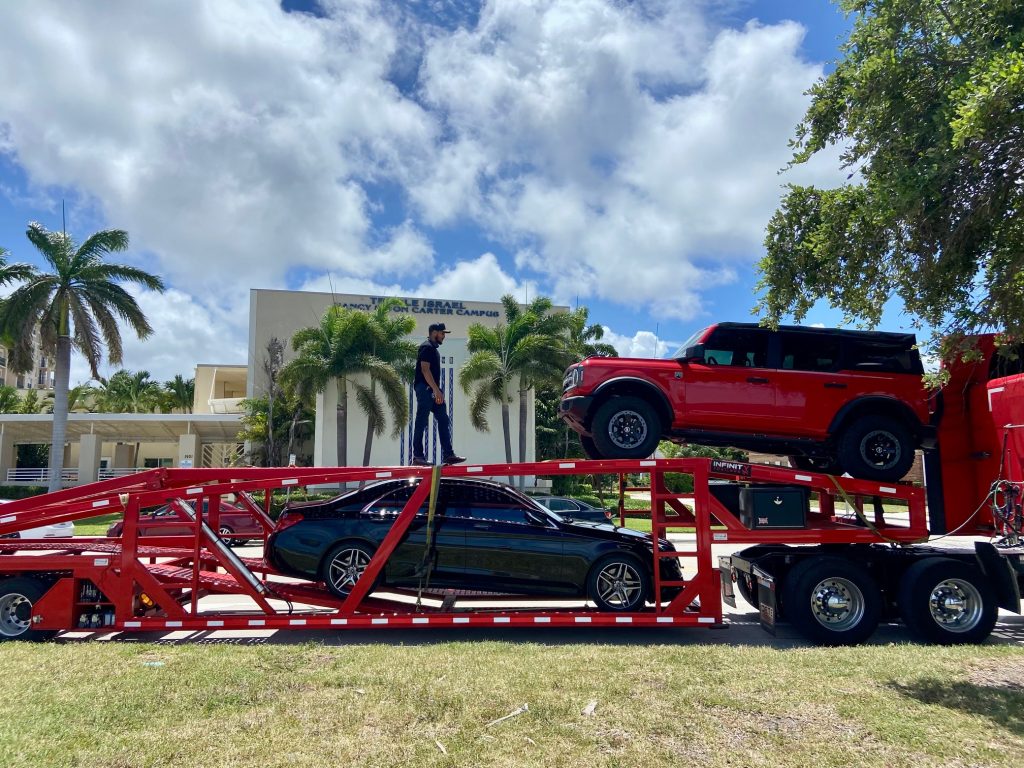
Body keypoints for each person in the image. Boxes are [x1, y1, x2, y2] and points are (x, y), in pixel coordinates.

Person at [412, 323, 465, 466]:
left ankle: (448, 455)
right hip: (425, 389)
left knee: (443, 419)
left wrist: (438, 391)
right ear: (434, 332)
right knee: (421, 422)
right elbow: (424, 370)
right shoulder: (426, 347)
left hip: (434, 390)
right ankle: (417, 456)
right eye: (442, 333)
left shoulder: (433, 349)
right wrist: (436, 390)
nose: (444, 336)